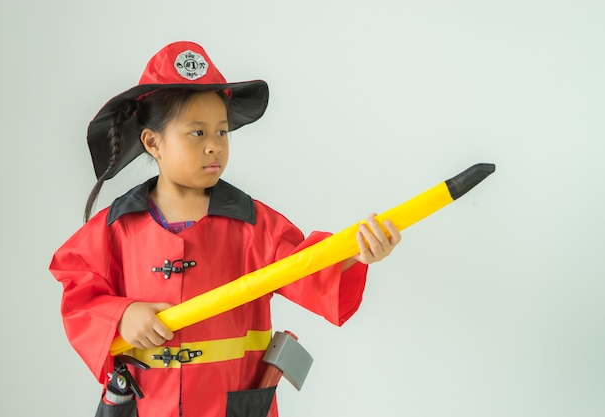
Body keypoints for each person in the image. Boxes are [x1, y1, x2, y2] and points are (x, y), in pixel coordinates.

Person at [49, 41, 400, 417]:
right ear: (153, 142)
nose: (215, 146)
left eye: (222, 132)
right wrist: (121, 314)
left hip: (231, 404)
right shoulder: (116, 227)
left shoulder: (253, 224)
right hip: (148, 404)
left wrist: (355, 252)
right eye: (197, 133)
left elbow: (309, 268)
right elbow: (78, 292)